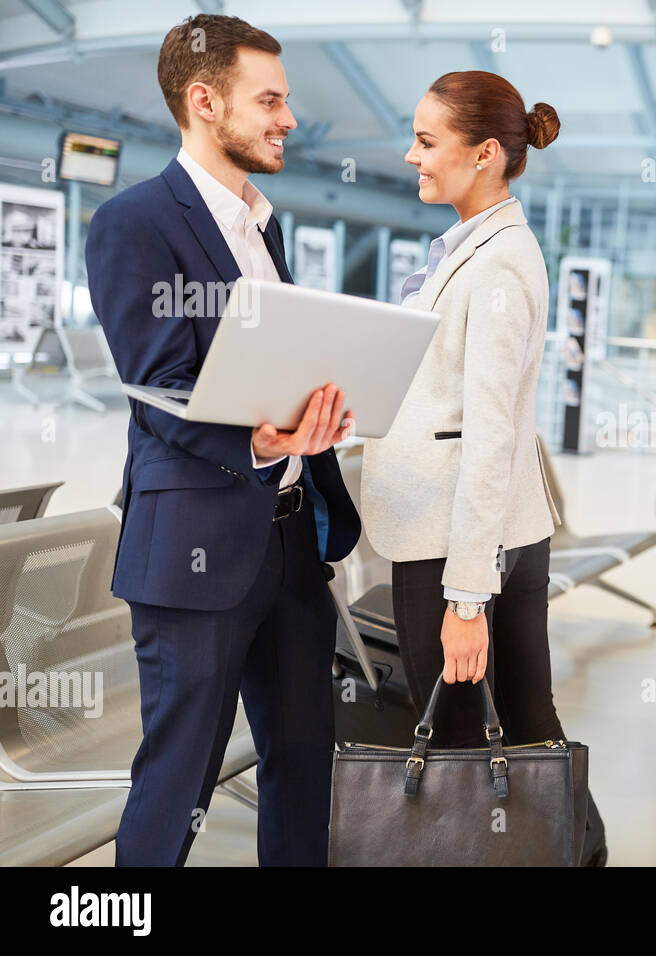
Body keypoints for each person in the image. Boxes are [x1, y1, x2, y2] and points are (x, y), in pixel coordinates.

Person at [84, 14, 360, 866]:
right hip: (195, 550)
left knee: (305, 759)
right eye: (269, 99)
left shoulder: (260, 226)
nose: (288, 118)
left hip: (288, 542)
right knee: (180, 778)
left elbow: (264, 365)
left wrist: (313, 420)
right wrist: (261, 440)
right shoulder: (135, 223)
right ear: (205, 102)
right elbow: (160, 387)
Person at [359, 70, 606, 865]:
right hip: (497, 529)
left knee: (468, 745)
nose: (412, 155)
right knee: (529, 720)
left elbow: (489, 431)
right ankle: (579, 853)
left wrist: (465, 597)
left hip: (457, 542)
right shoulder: (479, 245)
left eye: (428, 141)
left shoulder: (496, 264)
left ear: (487, 153)